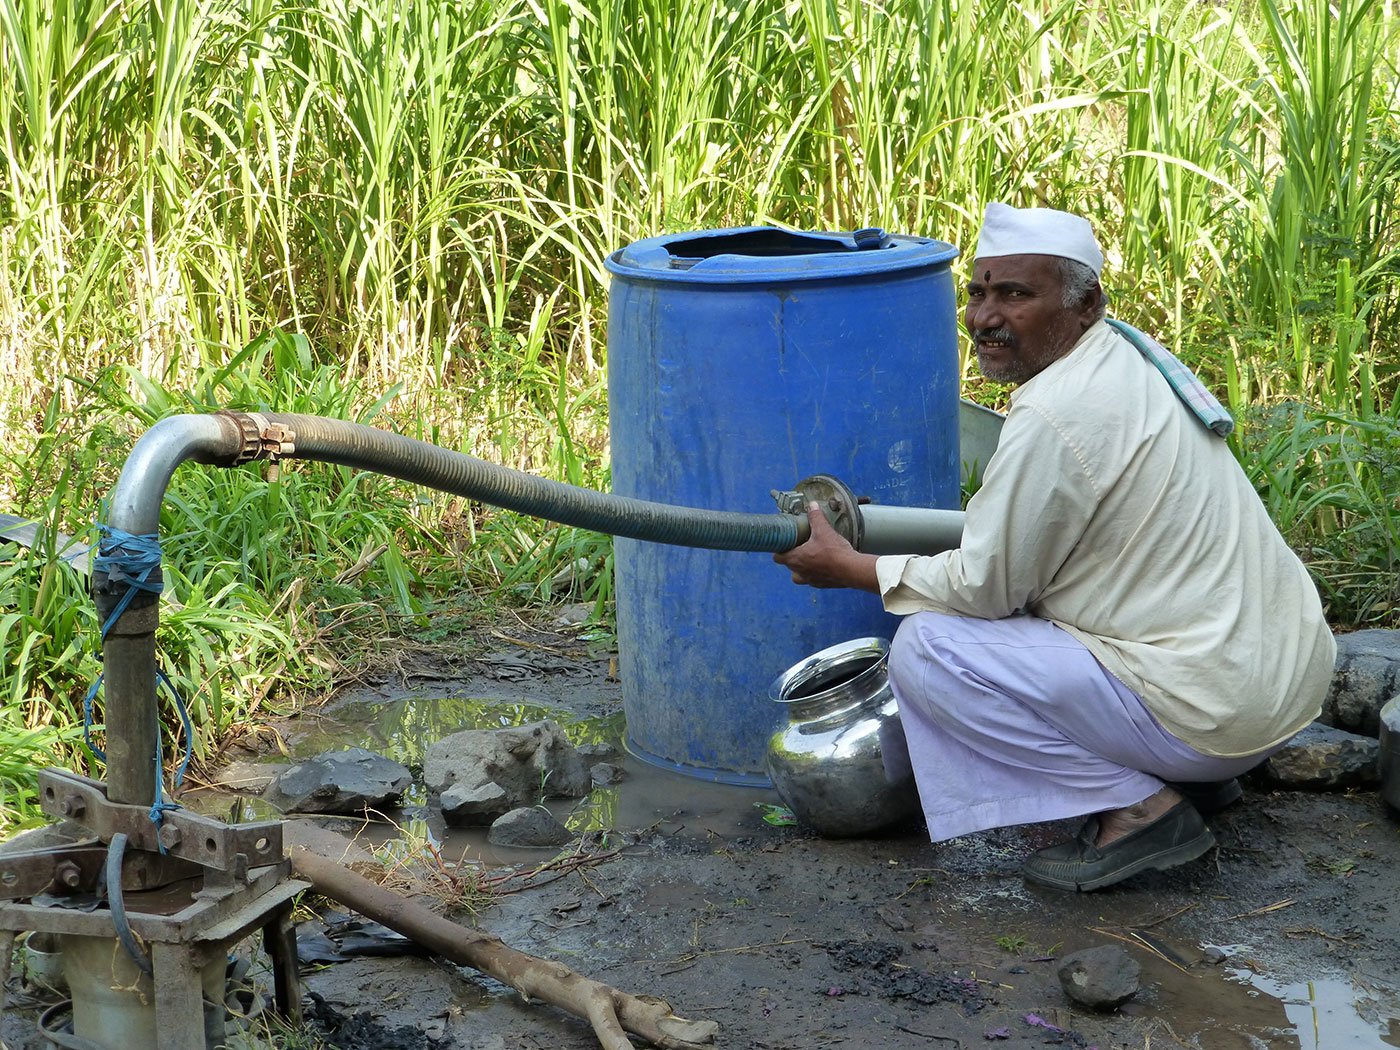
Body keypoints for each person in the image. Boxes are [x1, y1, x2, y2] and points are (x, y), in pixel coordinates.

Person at [774, 203, 1336, 891]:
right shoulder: (1127, 356)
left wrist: (852, 568)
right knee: (1036, 609)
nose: (984, 316)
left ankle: (1141, 809)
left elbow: (985, 588)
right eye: (978, 292)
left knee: (929, 650)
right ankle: (1182, 774)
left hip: (1214, 713)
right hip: (1277, 686)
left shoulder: (1053, 412)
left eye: (1015, 294)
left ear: (1085, 303)